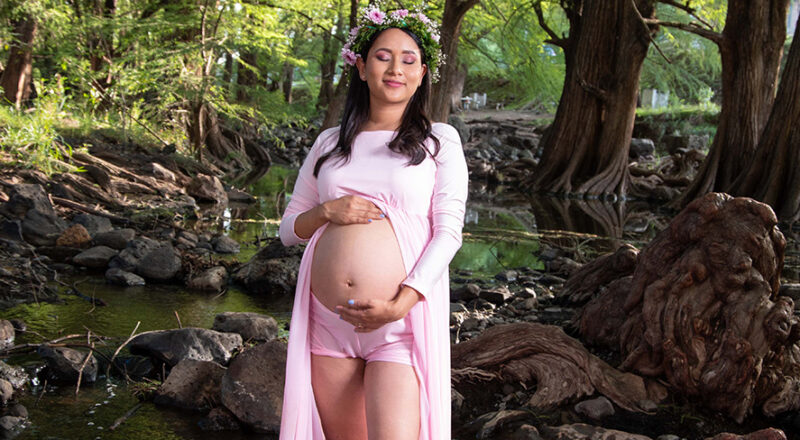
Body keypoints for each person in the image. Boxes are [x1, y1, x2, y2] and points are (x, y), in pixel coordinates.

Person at [278, 5, 468, 440]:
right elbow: (288, 230)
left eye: (408, 59)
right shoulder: (329, 143)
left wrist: (402, 303)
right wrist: (326, 212)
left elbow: (448, 232)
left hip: (399, 323)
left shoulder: (439, 141)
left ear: (422, 74)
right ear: (362, 68)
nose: (395, 68)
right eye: (383, 57)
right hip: (329, 325)